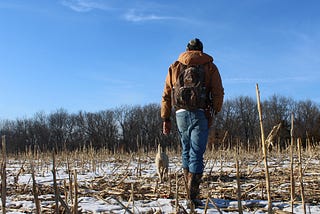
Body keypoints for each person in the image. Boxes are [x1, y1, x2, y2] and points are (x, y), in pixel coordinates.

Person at [161, 38, 224, 207]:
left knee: (186, 150)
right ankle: (193, 196)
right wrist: (214, 110)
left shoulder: (175, 66)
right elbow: (218, 92)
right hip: (200, 113)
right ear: (201, 50)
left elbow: (166, 94)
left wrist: (166, 118)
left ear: (187, 49)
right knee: (196, 152)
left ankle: (188, 192)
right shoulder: (209, 66)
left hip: (180, 113)